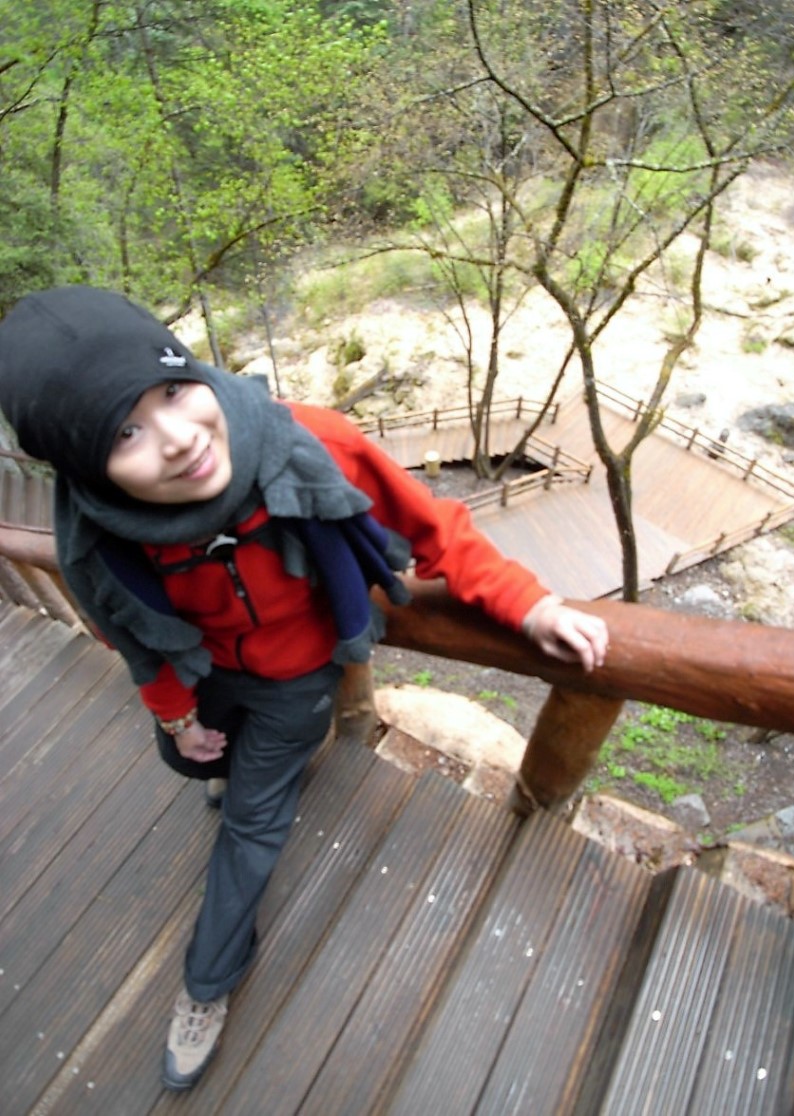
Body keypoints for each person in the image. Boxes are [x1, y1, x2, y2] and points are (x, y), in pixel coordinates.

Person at [0, 286, 608, 1090]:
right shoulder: (97, 540)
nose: (180, 439)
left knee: (251, 824)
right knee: (192, 766)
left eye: (175, 388)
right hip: (203, 676)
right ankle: (216, 771)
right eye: (125, 431)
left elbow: (431, 525)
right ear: (79, 464)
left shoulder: (304, 441)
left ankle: (205, 982)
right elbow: (133, 642)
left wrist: (523, 601)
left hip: (294, 677)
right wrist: (177, 719)